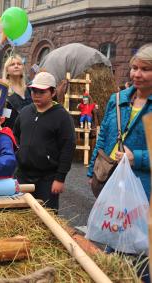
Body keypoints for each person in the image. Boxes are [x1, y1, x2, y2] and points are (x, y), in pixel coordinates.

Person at [88, 44, 152, 200]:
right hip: (109, 179)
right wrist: (92, 171)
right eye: (134, 68)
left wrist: (136, 158)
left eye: (145, 69)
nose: (137, 74)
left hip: (141, 188)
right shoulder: (117, 99)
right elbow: (102, 137)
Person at [13, 72, 76, 210]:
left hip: (47, 179)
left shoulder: (62, 117)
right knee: (19, 216)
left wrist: (60, 178)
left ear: (53, 92)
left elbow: (68, 148)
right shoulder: (25, 112)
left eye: (42, 91)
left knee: (47, 219)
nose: (36, 94)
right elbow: (15, 136)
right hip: (22, 176)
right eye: (34, 90)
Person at [1, 54, 33, 129]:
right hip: (12, 132)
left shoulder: (29, 90)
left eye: (19, 64)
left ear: (22, 68)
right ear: (7, 70)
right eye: (12, 64)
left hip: (30, 131)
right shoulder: (3, 91)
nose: (16, 66)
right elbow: (4, 117)